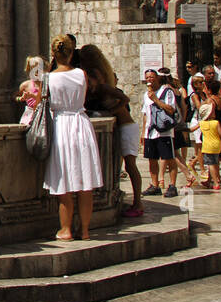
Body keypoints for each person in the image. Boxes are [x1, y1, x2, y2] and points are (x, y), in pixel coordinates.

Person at [43, 35, 102, 240]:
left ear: (53, 53)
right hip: (81, 124)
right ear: (71, 53)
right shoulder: (81, 74)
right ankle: (84, 230)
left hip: (61, 124)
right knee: (84, 180)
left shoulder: (49, 77)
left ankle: (65, 228)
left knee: (64, 180)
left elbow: (45, 102)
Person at [80, 44, 143, 218]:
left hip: (127, 127)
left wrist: (115, 111)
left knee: (131, 166)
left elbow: (125, 99)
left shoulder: (103, 87)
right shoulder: (99, 88)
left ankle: (138, 203)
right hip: (121, 128)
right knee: (120, 166)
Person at [140, 69, 178, 198]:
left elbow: (171, 109)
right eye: (147, 77)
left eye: (152, 77)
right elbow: (145, 114)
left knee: (169, 158)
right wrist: (143, 132)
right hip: (150, 132)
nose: (150, 79)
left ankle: (172, 185)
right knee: (152, 159)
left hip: (164, 131)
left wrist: (156, 99)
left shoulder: (166, 92)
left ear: (157, 78)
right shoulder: (146, 95)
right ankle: (155, 185)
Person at [197, 101, 221, 190]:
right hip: (217, 146)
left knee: (211, 165)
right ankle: (210, 180)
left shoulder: (202, 123)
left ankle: (216, 183)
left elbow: (192, 129)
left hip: (207, 147)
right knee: (215, 163)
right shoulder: (216, 122)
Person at [17, 55, 44, 125]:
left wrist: (33, 95)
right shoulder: (25, 85)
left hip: (43, 114)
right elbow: (15, 97)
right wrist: (21, 98)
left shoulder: (45, 84)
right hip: (30, 114)